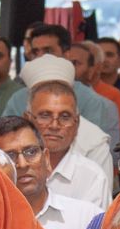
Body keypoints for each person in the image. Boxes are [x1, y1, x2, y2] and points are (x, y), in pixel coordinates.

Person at [0, 114, 100, 229]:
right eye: (10, 156)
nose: (23, 164)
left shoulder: (87, 218)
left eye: (31, 152)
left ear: (46, 159)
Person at [1, 24, 120, 143]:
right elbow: (4, 141)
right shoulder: (18, 99)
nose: (41, 57)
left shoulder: (95, 103)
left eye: (48, 50)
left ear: (67, 54)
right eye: (35, 51)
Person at [28, 74, 115, 209]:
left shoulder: (92, 178)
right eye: (45, 116)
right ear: (28, 120)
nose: (54, 126)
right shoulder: (13, 170)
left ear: (77, 123)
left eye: (65, 117)